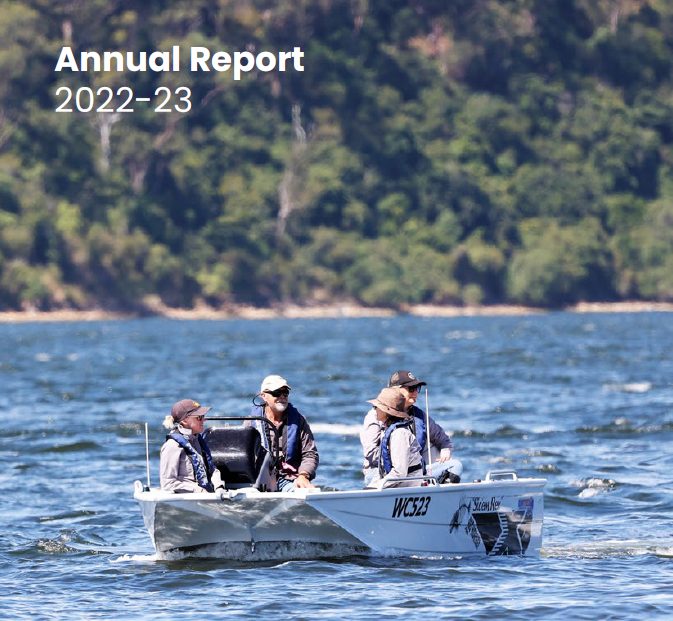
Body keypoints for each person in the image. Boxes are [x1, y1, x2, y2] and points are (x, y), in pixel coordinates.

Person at [360, 369, 462, 486]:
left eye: (417, 388)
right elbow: (371, 453)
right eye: (411, 389)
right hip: (378, 472)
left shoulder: (418, 415)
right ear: (395, 390)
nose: (416, 393)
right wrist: (401, 461)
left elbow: (441, 438)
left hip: (411, 472)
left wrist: (445, 449)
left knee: (456, 466)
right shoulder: (376, 415)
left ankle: (432, 497)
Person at [248, 375, 319, 492]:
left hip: (288, 479)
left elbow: (310, 454)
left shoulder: (299, 420)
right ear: (263, 396)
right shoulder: (251, 421)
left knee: (305, 490)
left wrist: (303, 475)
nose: (282, 397)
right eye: (276, 393)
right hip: (259, 480)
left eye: (285, 392)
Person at [160, 398, 226, 494]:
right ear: (185, 421)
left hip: (206, 495)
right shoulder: (172, 446)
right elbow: (168, 484)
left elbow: (212, 470)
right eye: (199, 417)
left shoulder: (198, 439)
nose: (204, 420)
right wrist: (199, 491)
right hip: (189, 497)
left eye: (203, 416)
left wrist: (219, 487)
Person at [365, 387, 424, 488]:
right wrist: (372, 486)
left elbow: (400, 473)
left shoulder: (399, 434)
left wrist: (377, 486)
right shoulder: (388, 431)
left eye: (377, 407)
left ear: (386, 411)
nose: (374, 409)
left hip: (408, 488)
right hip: (397, 485)